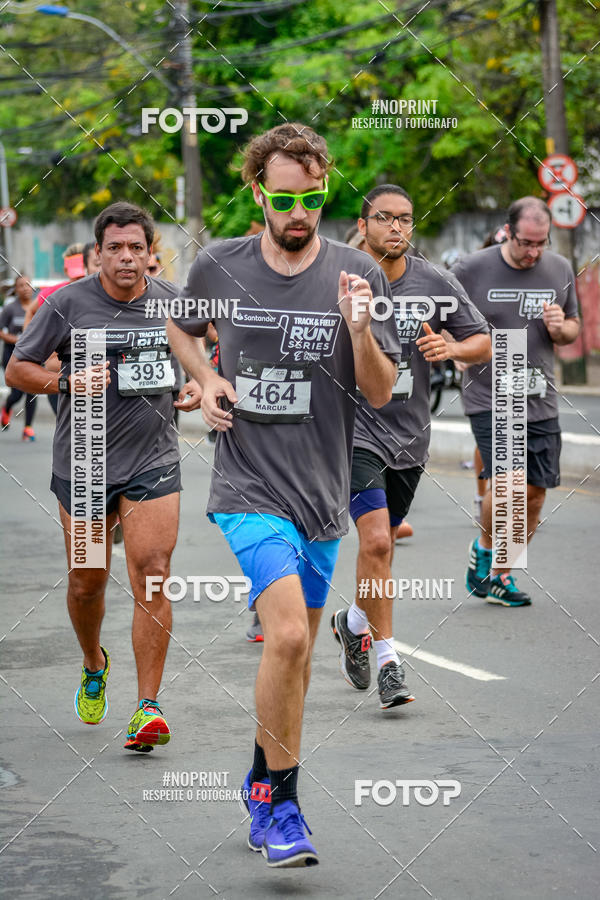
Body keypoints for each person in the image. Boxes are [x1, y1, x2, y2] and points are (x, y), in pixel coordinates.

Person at [167, 123, 401, 868]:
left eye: (314, 198)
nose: (300, 213)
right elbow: (180, 326)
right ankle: (286, 807)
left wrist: (360, 332)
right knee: (292, 637)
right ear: (258, 194)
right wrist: (208, 378)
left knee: (294, 663)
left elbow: (380, 391)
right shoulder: (219, 264)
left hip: (323, 493)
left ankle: (260, 783)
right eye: (285, 199)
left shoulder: (357, 273)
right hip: (247, 484)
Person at [6, 201, 202, 750]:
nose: (126, 258)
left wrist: (197, 382)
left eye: (136, 247)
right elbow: (18, 368)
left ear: (150, 252)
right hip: (86, 463)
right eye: (114, 248)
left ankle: (147, 707)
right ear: (98, 253)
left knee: (154, 574)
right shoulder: (66, 303)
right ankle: (94, 662)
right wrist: (68, 381)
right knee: (87, 582)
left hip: (152, 461)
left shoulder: (173, 302)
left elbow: (205, 350)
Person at [331, 184, 491, 709]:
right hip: (354, 433)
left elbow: (484, 341)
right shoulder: (337, 278)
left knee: (380, 551)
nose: (396, 227)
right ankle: (389, 662)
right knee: (378, 542)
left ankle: (354, 621)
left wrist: (452, 345)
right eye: (384, 218)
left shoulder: (433, 282)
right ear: (363, 225)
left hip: (409, 438)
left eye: (405, 218)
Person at [453, 196, 580, 606]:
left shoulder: (559, 268)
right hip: (490, 395)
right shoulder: (471, 269)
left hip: (539, 397)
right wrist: (456, 348)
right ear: (508, 232)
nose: (534, 252)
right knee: (508, 486)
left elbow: (573, 328)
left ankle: (501, 574)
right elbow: (439, 313)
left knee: (536, 494)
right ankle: (486, 549)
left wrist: (561, 328)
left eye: (542, 243)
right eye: (526, 243)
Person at [0, 275, 38, 440]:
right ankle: (7, 408)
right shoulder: (10, 309)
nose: (25, 288)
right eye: (21, 285)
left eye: (28, 285)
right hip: (12, 355)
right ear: (16, 289)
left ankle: (28, 428)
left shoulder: (39, 307)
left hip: (33, 355)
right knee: (17, 394)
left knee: (32, 390)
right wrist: (16, 340)